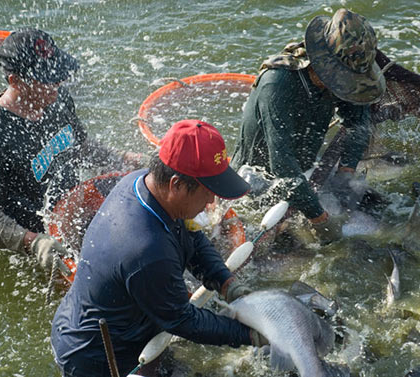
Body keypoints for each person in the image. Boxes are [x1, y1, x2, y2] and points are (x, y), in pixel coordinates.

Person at [51, 120, 267, 377]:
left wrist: (226, 282)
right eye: (207, 191)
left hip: (125, 324)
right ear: (176, 184)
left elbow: (193, 238)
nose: (212, 200)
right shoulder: (147, 251)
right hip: (98, 355)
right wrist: (253, 335)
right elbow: (183, 321)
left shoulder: (142, 183)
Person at [0, 29, 143, 275]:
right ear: (15, 81)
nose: (57, 84)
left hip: (70, 208)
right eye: (46, 79)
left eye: (57, 75)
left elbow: (80, 146)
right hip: (38, 234)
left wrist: (124, 159)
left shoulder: (56, 99)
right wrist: (34, 243)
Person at [231, 8, 386, 244]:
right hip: (258, 182)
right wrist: (320, 219)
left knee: (377, 207)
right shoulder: (277, 85)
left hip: (304, 170)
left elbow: (358, 119)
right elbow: (282, 164)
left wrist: (347, 171)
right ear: (325, 66)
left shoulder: (338, 79)